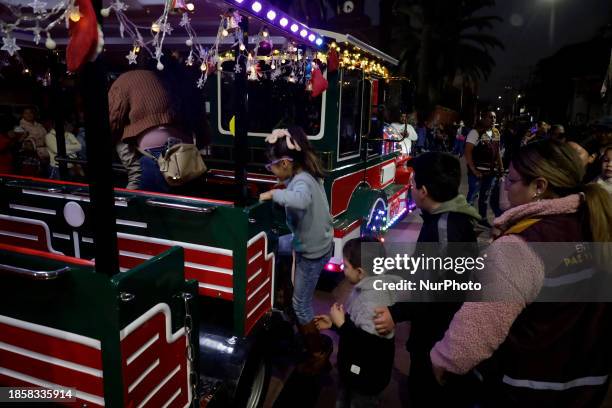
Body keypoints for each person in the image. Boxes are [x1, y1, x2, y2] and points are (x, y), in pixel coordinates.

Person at [430, 141, 612, 407]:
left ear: (539, 187)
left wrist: (444, 360)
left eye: (512, 180)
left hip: (527, 389)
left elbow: (474, 334)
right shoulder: (595, 223)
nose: (505, 186)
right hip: (587, 386)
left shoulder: (521, 246)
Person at [372, 152, 481, 408]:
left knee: (426, 391)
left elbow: (438, 289)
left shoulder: (444, 229)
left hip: (439, 334)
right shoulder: (446, 217)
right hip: (434, 327)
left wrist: (395, 313)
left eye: (411, 183)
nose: (408, 188)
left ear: (423, 190)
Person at [259, 126, 334, 374]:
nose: (271, 170)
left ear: (286, 162)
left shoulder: (301, 181)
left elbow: (300, 200)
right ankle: (283, 296)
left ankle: (317, 353)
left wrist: (273, 194)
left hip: (311, 252)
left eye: (272, 166)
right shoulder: (304, 174)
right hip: (313, 242)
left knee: (302, 304)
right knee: (274, 246)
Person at [315, 237, 400, 408]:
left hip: (365, 381)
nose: (343, 270)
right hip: (355, 373)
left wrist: (342, 325)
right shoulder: (368, 286)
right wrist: (334, 324)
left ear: (360, 271)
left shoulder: (372, 302)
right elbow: (359, 326)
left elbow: (368, 345)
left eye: (346, 266)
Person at [108, 69, 192, 192]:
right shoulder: (163, 76)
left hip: (153, 150)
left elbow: (113, 121)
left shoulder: (121, 83)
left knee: (120, 137)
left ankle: (134, 182)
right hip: (184, 148)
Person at [465, 112, 504, 228]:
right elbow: (467, 152)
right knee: (472, 196)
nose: (492, 119)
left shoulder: (496, 132)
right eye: (490, 117)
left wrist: (501, 167)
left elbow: (497, 151)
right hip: (476, 172)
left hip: (490, 172)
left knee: (485, 197)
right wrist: (474, 170)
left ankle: (482, 218)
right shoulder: (475, 132)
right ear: (483, 119)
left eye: (494, 117)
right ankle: (467, 220)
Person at [19, 106, 50, 174]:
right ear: (22, 115)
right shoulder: (20, 127)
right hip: (30, 156)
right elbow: (21, 143)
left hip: (45, 154)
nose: (29, 115)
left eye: (31, 113)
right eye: (26, 113)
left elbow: (46, 136)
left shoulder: (39, 125)